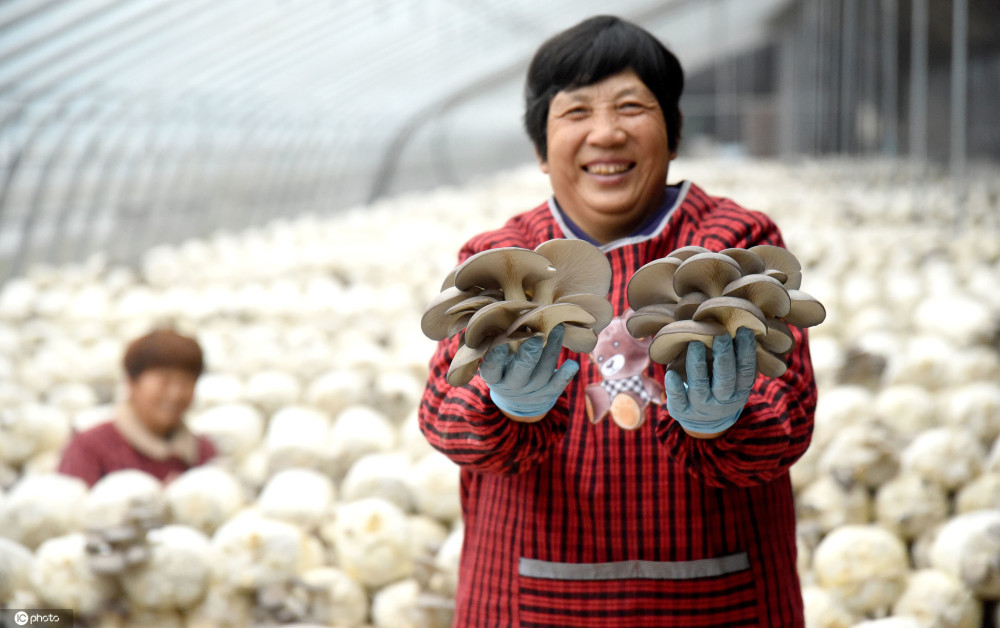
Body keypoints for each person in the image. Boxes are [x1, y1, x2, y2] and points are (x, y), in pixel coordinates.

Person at [419, 15, 816, 627]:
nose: (605, 134)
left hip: (716, 595)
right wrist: (503, 406)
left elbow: (786, 419)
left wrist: (723, 421)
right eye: (576, 113)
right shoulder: (497, 259)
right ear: (540, 151)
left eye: (631, 107)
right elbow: (445, 418)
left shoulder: (736, 243)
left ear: (675, 130)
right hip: (531, 594)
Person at [58, 327, 216, 487]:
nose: (175, 394)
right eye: (165, 381)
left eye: (186, 382)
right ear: (131, 383)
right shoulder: (90, 448)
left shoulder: (203, 452)